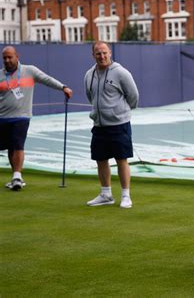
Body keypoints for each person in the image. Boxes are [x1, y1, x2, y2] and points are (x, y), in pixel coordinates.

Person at [1, 46, 73, 191]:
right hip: (2, 118)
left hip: (22, 116)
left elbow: (47, 79)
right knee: (10, 147)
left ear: (17, 56)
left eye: (10, 57)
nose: (7, 60)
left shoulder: (30, 71)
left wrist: (63, 87)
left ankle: (17, 176)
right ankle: (15, 177)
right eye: (5, 58)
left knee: (18, 144)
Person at [84, 41, 139, 209]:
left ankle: (125, 195)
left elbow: (133, 97)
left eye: (104, 53)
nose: (102, 56)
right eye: (98, 53)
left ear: (110, 53)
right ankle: (106, 194)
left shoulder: (121, 73)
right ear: (93, 55)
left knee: (121, 159)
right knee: (101, 159)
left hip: (119, 124)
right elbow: (90, 96)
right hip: (99, 125)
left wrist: (118, 112)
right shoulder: (89, 74)